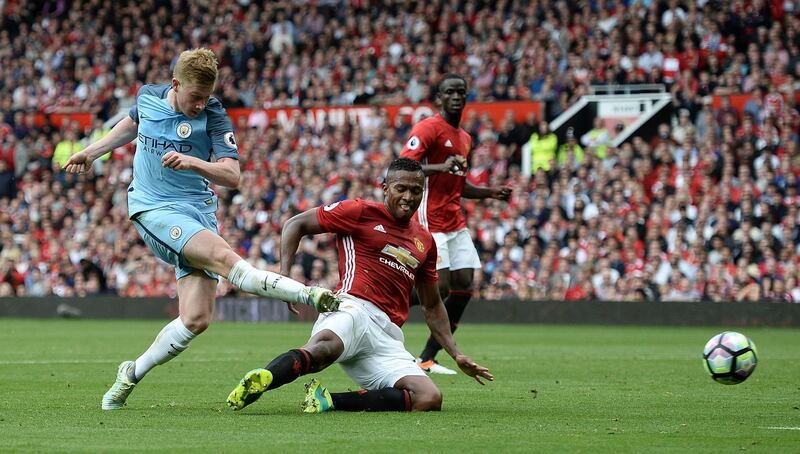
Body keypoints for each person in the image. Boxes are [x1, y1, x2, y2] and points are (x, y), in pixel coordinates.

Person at [63, 48, 340, 410]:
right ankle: (308, 295)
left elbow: (232, 175)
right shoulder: (148, 96)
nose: (199, 104)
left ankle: (130, 373)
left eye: (206, 97)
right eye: (194, 97)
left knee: (196, 319)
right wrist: (92, 151)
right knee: (225, 258)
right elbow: (132, 124)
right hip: (154, 208)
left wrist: (192, 161)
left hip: (199, 214)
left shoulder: (213, 115)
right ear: (175, 84)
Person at [226, 158, 493, 413]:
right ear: (385, 188)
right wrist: (284, 279)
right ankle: (265, 378)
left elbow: (433, 305)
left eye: (416, 190)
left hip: (387, 335)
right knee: (324, 349)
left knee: (428, 397)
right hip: (352, 308)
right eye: (401, 188)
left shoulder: (425, 241)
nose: (408, 197)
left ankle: (328, 401)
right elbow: (295, 224)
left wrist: (456, 354)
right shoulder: (359, 211)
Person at [399, 74, 511, 375]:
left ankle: (426, 357)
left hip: (454, 220)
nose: (457, 96)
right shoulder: (427, 128)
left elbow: (458, 184)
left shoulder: (465, 138)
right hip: (429, 217)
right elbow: (403, 167)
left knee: (464, 285)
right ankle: (384, 305)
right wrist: (438, 166)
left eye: (461, 92)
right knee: (442, 286)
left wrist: (490, 193)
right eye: (450, 92)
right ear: (440, 98)